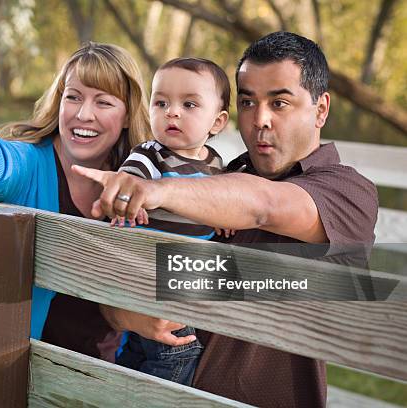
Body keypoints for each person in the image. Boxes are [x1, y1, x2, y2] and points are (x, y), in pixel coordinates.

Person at [74, 31, 378, 407]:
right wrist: (126, 315)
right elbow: (130, 286)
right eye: (248, 101)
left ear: (320, 110)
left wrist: (156, 190)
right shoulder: (217, 176)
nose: (260, 119)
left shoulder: (347, 191)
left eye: (280, 103)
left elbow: (264, 205)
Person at [0, 42, 168, 361]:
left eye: (104, 102)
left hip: (101, 378)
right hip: (11, 373)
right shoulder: (31, 165)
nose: (84, 114)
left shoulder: (140, 177)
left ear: (127, 115)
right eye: (73, 97)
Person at [114, 57, 230, 386]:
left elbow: (222, 201)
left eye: (189, 104)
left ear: (217, 122)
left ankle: (124, 385)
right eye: (161, 102)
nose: (172, 112)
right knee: (178, 350)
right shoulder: (150, 155)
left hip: (186, 277)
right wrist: (127, 202)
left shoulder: (216, 164)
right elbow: (126, 185)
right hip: (154, 275)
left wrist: (221, 216)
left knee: (140, 350)